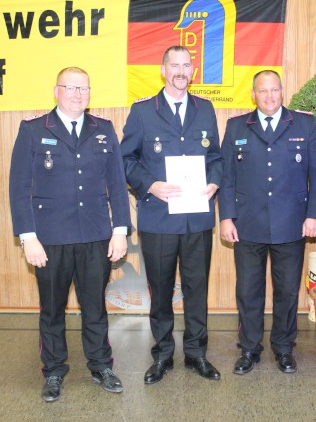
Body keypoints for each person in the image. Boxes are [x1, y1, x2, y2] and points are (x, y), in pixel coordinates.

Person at [9, 67, 131, 402]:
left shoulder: (103, 130)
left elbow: (118, 186)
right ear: (56, 90)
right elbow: (19, 189)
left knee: (95, 307)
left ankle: (101, 365)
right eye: (71, 88)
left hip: (95, 235)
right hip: (50, 239)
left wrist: (120, 230)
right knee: (52, 309)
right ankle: (53, 371)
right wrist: (27, 237)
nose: (78, 94)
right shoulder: (34, 130)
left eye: (84, 89)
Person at [120, 46, 223, 384]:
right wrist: (150, 185)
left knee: (197, 288)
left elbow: (216, 158)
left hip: (196, 219)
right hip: (159, 219)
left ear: (192, 71)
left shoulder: (205, 110)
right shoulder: (142, 111)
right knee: (161, 290)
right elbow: (125, 160)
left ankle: (196, 354)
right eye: (174, 65)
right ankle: (163, 354)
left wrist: (214, 182)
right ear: (163, 70)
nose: (181, 71)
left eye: (186, 65)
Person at [219, 70, 316, 375]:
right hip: (247, 224)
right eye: (263, 91)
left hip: (291, 223)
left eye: (274, 90)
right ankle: (249, 348)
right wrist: (226, 217)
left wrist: (313, 214)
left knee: (287, 291)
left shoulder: (304, 124)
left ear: (282, 91)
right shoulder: (237, 125)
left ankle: (283, 347)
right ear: (253, 94)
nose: (269, 96)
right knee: (248, 291)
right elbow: (227, 177)